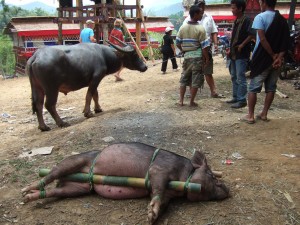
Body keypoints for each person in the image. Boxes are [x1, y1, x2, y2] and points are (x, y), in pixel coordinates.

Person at [241, 0, 289, 124]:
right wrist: (278, 57)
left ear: (264, 3)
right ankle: (264, 114)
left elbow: (262, 38)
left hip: (262, 58)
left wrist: (272, 55)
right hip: (277, 60)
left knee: (253, 88)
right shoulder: (282, 20)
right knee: (271, 88)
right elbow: (285, 42)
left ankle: (250, 115)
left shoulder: (260, 17)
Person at [184, 0, 223, 98]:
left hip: (206, 47)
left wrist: (216, 44)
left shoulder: (209, 17)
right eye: (199, 5)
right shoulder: (188, 19)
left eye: (202, 5)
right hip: (194, 49)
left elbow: (214, 31)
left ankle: (213, 91)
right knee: (192, 70)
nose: (201, 7)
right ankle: (191, 91)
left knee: (208, 70)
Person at [176, 5, 210, 107]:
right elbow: (204, 47)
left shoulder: (183, 27)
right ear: (195, 14)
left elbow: (177, 42)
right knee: (195, 79)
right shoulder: (200, 29)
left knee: (184, 78)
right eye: (200, 13)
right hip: (197, 57)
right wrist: (207, 58)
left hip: (187, 57)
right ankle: (191, 101)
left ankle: (181, 101)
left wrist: (183, 50)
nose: (201, 15)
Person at [227, 0, 254, 108]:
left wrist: (242, 44)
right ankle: (236, 97)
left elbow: (251, 34)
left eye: (233, 8)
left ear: (240, 8)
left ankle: (242, 99)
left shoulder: (247, 20)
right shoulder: (237, 20)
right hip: (234, 52)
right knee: (234, 76)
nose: (232, 10)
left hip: (241, 53)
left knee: (240, 76)